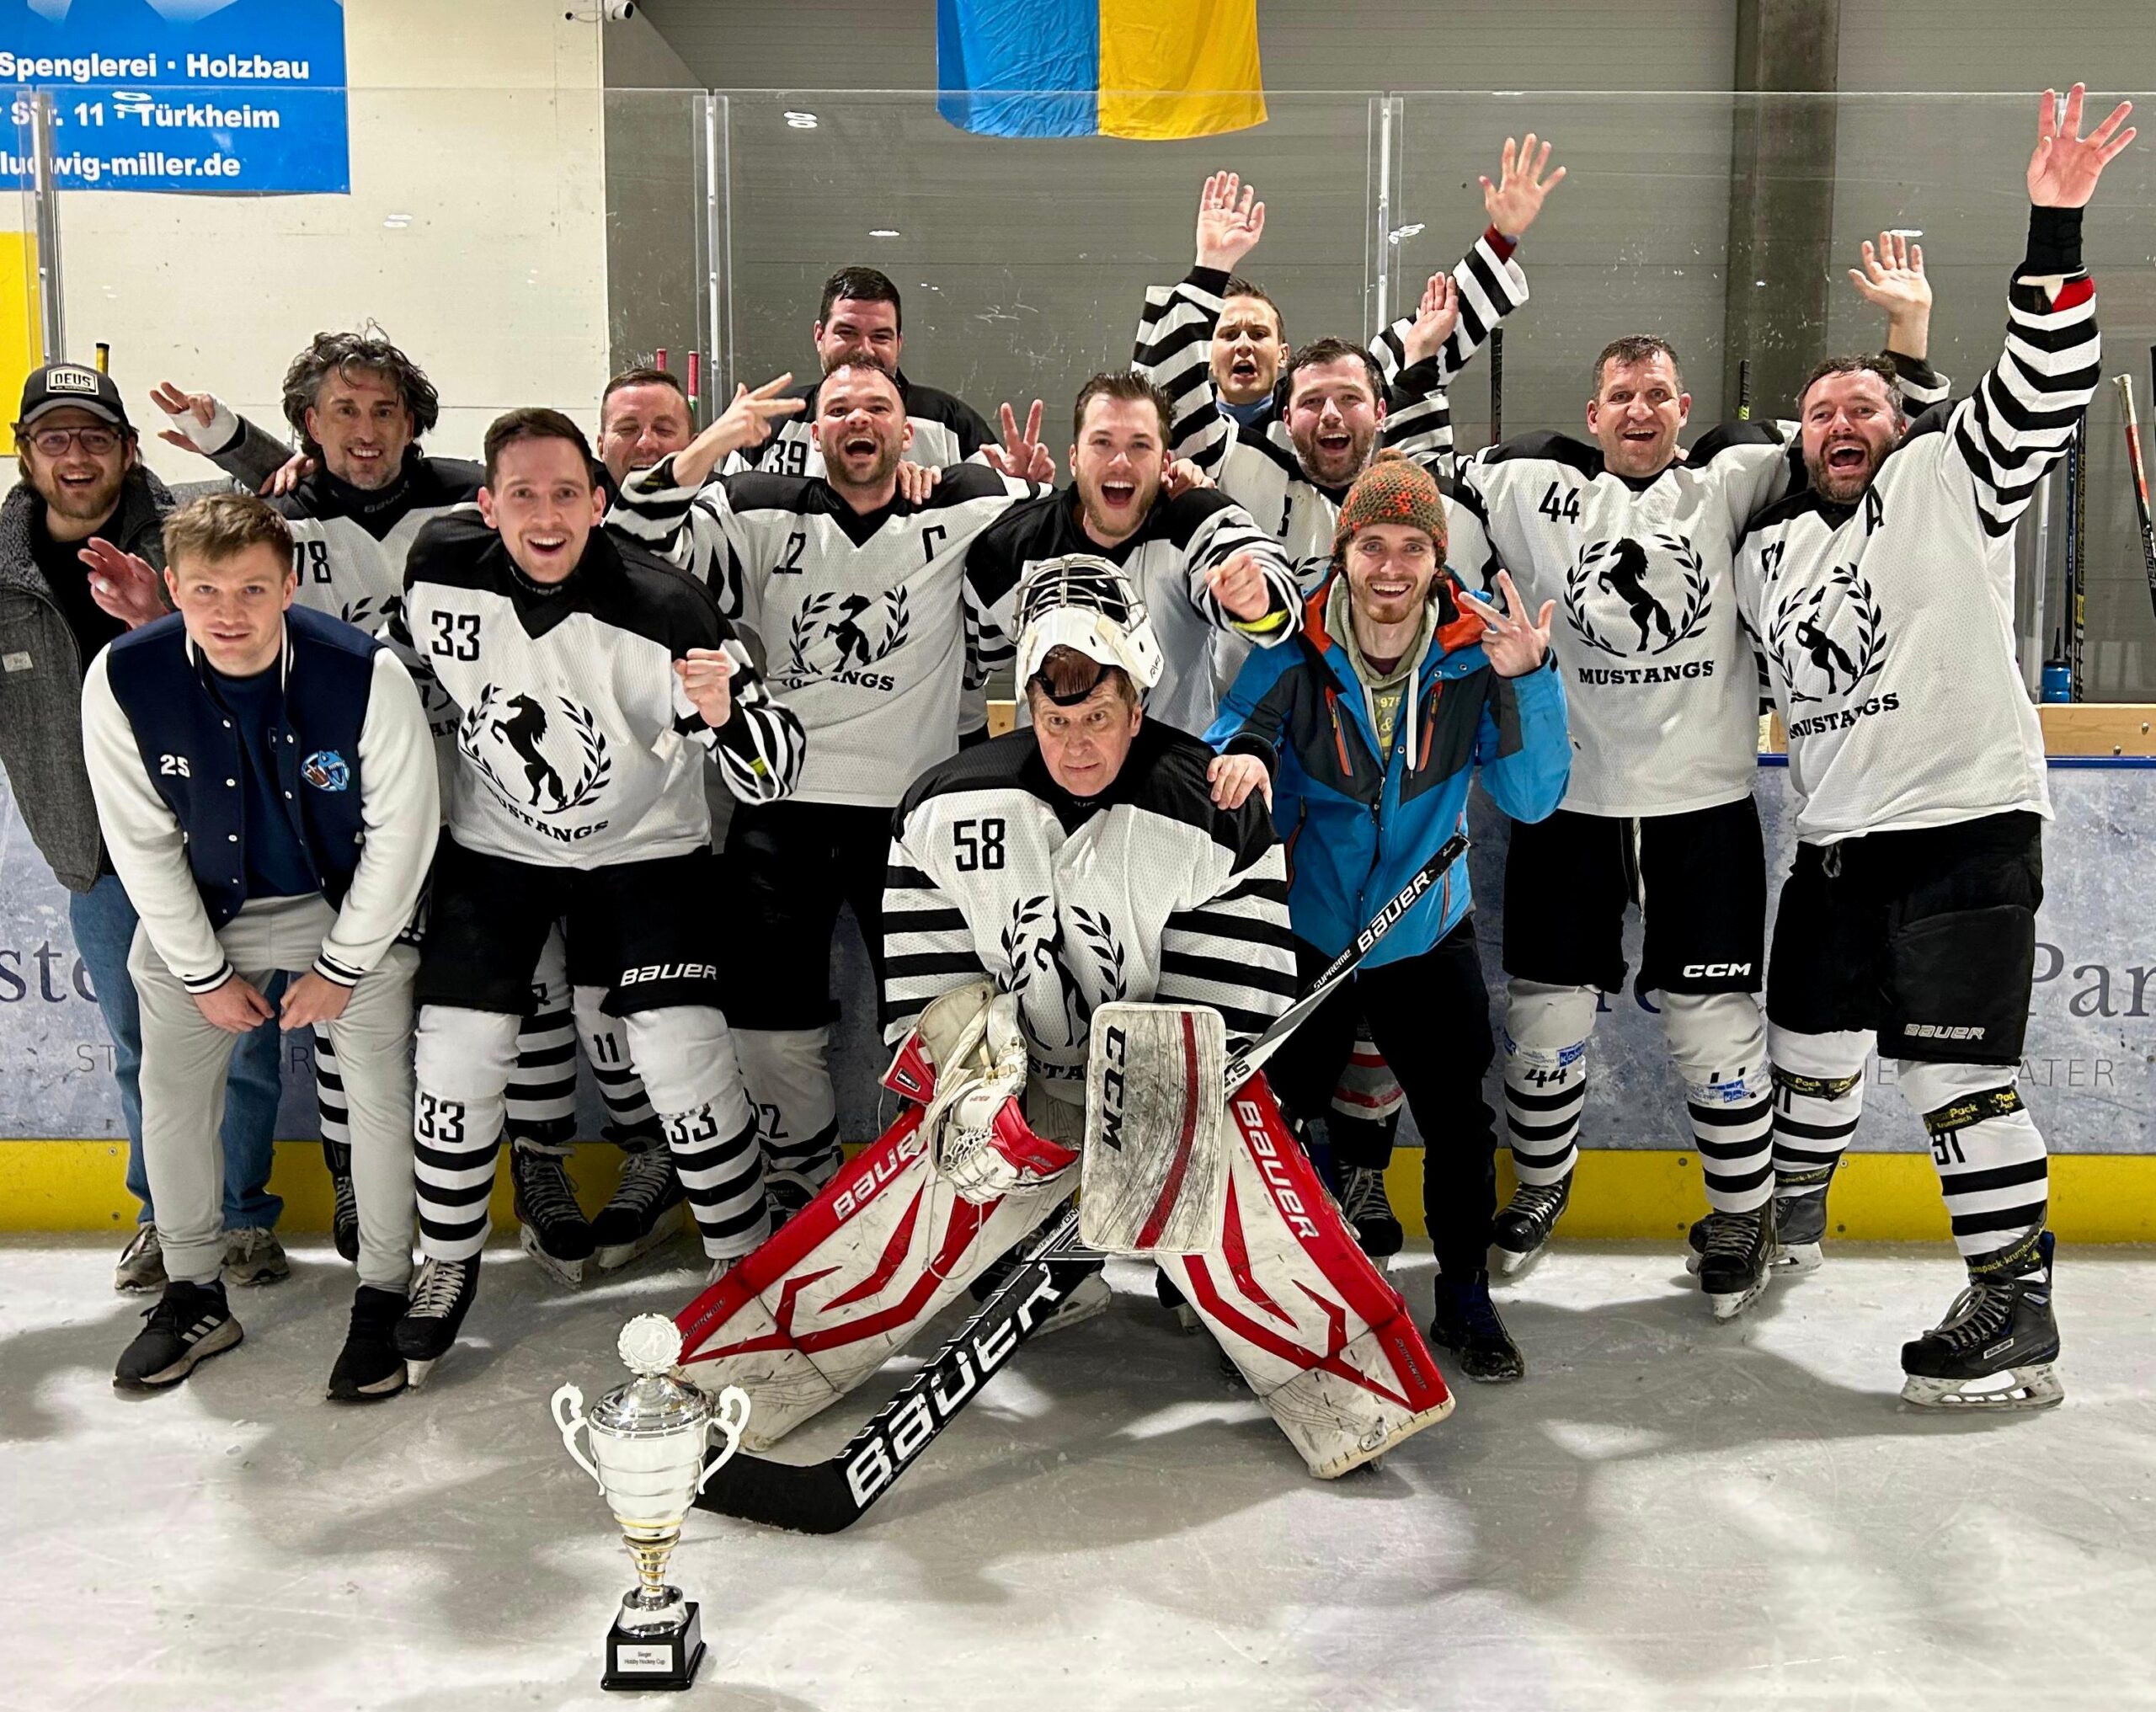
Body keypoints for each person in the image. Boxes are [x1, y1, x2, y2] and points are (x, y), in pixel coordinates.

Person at [672, 559, 1454, 1479]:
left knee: (1262, 1225)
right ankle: (729, 1381)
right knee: (887, 1220)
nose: (1076, 745)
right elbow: (930, 988)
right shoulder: (943, 806)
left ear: (1137, 707)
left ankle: (1356, 1404)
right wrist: (966, 1083)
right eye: (1055, 722)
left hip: (1170, 1086)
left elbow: (1234, 1016)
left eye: (1097, 720)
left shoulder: (1212, 809)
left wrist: (1161, 1104)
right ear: (1026, 709)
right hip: (1015, 1088)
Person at [1445, 239, 1945, 1310]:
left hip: (1702, 811)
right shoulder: (1527, 483)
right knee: (1544, 1022)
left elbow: (1878, 448)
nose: (1639, 409)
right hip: (1566, 804)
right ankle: (1540, 1186)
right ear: (1593, 412)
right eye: (1621, 395)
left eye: (1657, 394)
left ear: (1683, 409)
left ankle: (1738, 1211)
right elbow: (1401, 471)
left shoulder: (1733, 477)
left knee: (1713, 1027)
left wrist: (1907, 343)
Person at [1732, 83, 2130, 1408]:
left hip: (1964, 828)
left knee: (1957, 1076)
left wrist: (2055, 222)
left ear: (1899, 419)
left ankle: (2015, 1305)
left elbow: (2046, 380)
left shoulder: (1954, 477)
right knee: (1806, 1045)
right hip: (1836, 847)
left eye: (1865, 406)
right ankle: (1797, 1202)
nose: (1843, 424)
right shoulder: (1770, 550)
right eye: (1821, 413)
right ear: (1799, 438)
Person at [157, 336, 676, 1286]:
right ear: (308, 425)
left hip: (486, 801)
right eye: (343, 412)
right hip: (345, 811)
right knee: (348, 992)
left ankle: (541, 1163)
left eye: (385, 411)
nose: (366, 430)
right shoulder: (283, 514)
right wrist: (230, 444)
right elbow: (212, 569)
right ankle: (355, 1175)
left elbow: (582, 503)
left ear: (414, 422)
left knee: (530, 986)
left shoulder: (470, 497)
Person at [391, 408, 805, 1373]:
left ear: (597, 502)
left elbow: (771, 773)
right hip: (497, 848)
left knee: (678, 1047)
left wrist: (726, 715)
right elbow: (394, 672)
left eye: (565, 494)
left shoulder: (666, 605)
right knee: (457, 1046)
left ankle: (742, 1264)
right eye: (523, 495)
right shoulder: (439, 565)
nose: (545, 515)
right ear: (487, 505)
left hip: (644, 851)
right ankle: (445, 1261)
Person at [611, 363, 1052, 1214]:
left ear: (906, 431)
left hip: (913, 816)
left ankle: (940, 1192)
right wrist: (711, 444)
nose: (858, 419)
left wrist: (1032, 487)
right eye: (838, 408)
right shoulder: (755, 505)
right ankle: (802, 1186)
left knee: (944, 1023)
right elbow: (633, 543)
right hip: (782, 807)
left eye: (877, 407)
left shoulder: (963, 500)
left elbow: (1068, 535)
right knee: (768, 1035)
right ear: (813, 433)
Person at [1206, 453, 1569, 1381]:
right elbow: (1233, 735)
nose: (1392, 567)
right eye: (1372, 544)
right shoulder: (1294, 649)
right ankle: (1282, 1294)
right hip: (1313, 928)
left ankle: (1464, 1296)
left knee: (1458, 1125)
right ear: (1344, 554)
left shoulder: (1475, 655)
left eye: (1413, 546)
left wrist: (1529, 678)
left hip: (1424, 925)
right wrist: (1241, 763)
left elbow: (1531, 800)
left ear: (1438, 558)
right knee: (1276, 1120)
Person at [81, 493, 436, 1397]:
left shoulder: (364, 673)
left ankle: (383, 1290)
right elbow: (141, 842)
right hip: (203, 916)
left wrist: (343, 964)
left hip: (341, 909)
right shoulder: (123, 677)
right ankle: (193, 1291)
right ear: (173, 588)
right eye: (205, 590)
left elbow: (404, 831)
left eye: (250, 588)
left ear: (288, 585)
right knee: (170, 1093)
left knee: (379, 1094)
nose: (228, 612)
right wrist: (203, 974)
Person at [0, 364, 290, 1293]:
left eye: (95, 436)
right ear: (26, 454)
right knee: (139, 1049)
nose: (76, 456)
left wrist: (163, 614)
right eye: (55, 438)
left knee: (241, 1042)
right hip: (96, 854)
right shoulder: (1, 574)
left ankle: (240, 1217)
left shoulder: (193, 531)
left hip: (218, 841)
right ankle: (165, 1216)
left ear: (128, 449)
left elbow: (298, 486)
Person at [1132, 140, 1561, 582]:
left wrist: (1501, 238)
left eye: (1258, 333)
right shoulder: (1229, 459)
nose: (1331, 414)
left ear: (1381, 412)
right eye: (1312, 402)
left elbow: (1429, 334)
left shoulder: (1407, 477)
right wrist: (1209, 268)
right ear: (1288, 416)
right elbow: (1161, 403)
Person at [959, 371, 1299, 740]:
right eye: (1102, 443)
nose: (1120, 461)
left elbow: (1280, 614)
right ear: (1074, 458)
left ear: (1164, 462)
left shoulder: (1194, 523)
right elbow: (963, 676)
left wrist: (1259, 603)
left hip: (1172, 769)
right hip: (1050, 769)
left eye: (1140, 446)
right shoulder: (1011, 548)